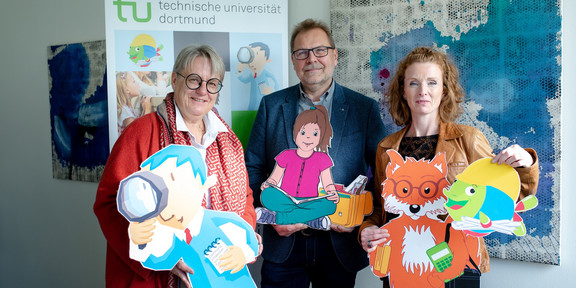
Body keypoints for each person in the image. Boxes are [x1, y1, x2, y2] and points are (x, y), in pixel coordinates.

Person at [358, 46, 540, 286]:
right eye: (414, 83)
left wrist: (526, 165)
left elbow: (510, 198)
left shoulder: (468, 139)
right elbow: (381, 210)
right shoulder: (386, 149)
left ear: (444, 90)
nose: (423, 91)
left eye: (432, 82)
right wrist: (367, 230)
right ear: (403, 90)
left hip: (456, 265)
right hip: (402, 265)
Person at [95, 44, 260, 288]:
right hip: (157, 278)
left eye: (212, 83)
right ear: (174, 79)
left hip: (216, 271)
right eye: (194, 80)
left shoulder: (228, 140)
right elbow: (109, 203)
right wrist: (163, 256)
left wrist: (242, 237)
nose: (203, 91)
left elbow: (245, 198)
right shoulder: (141, 133)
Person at [245, 19, 386, 288]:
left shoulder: (363, 109)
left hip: (340, 244)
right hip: (285, 243)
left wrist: (363, 220)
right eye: (302, 53)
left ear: (334, 56)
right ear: (293, 61)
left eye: (320, 50)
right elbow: (253, 166)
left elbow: (381, 174)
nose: (311, 59)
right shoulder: (272, 106)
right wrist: (272, 215)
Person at [124, 145, 259, 288]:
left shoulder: (217, 220)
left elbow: (248, 236)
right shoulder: (174, 237)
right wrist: (140, 240)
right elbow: (158, 260)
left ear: (202, 186)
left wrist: (243, 253)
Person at [256, 105, 339, 229]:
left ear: (321, 137)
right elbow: (274, 179)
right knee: (267, 194)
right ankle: (311, 220)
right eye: (304, 132)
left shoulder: (323, 159)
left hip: (309, 201)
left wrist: (332, 193)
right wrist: (268, 184)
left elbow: (328, 185)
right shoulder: (285, 155)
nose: (308, 137)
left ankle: (276, 217)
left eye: (315, 134)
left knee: (330, 205)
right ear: (296, 132)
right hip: (286, 199)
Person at [236, 42, 279, 110]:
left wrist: (272, 91)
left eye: (256, 55)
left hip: (265, 107)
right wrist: (239, 71)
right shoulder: (252, 75)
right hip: (252, 107)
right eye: (250, 55)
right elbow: (244, 80)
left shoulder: (267, 76)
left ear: (267, 60)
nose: (252, 60)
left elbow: (276, 85)